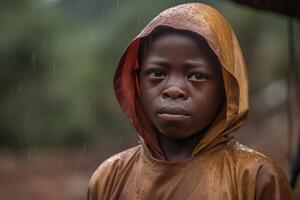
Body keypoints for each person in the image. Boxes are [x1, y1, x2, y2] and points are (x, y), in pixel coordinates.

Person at [87, 3, 294, 199]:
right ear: (137, 82)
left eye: (197, 76)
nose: (174, 89)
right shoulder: (109, 176)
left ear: (226, 89)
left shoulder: (258, 178)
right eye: (157, 73)